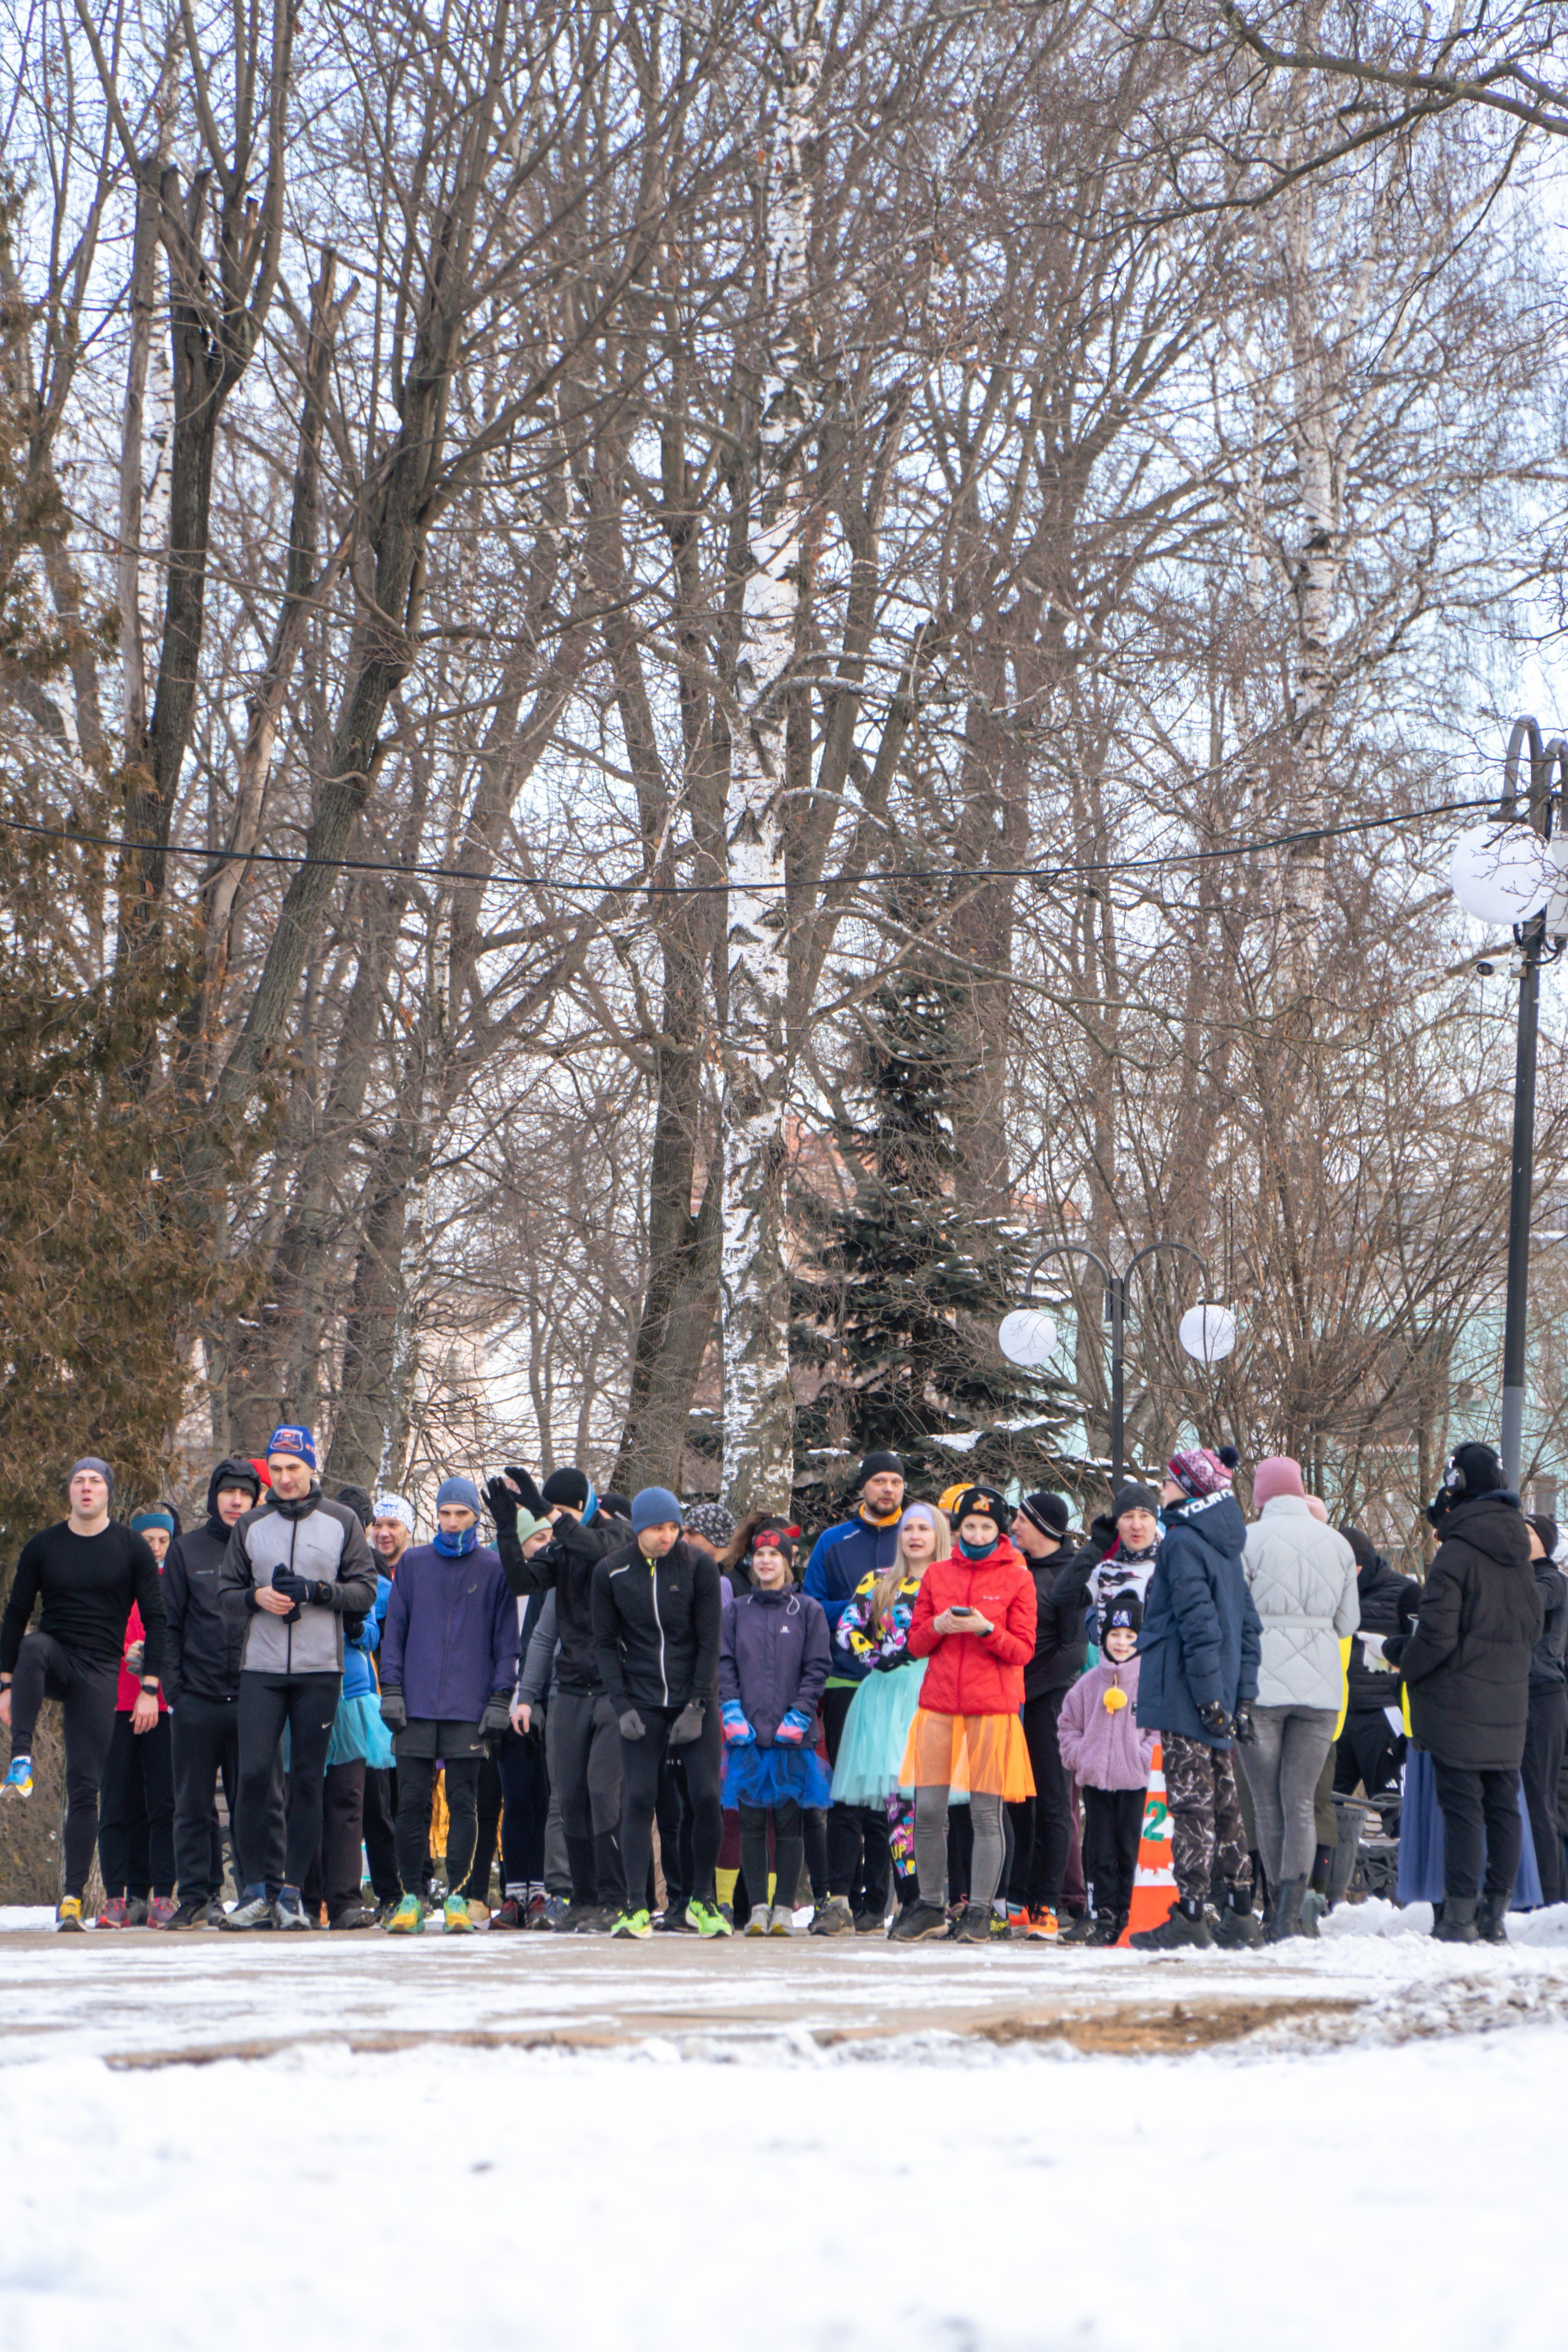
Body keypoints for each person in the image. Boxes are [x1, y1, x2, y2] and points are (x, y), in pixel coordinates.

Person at [217, 1425, 379, 1930]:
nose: (285, 1478)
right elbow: (224, 1595)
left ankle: (293, 1895)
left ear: (312, 1469)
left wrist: (317, 1592)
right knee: (252, 1777)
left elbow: (366, 1591)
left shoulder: (342, 1520)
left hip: (319, 1670)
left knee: (308, 1781)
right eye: (277, 1469)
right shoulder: (252, 1524)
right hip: (261, 1669)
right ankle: (254, 1892)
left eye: (294, 1468)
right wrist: (255, 1598)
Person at [0, 1458, 164, 1930]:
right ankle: (22, 1760)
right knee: (33, 1643)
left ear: (108, 1491)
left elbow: (157, 1620)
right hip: (53, 1658)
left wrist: (150, 1687)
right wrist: (6, 1685)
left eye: (95, 1481)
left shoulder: (131, 1547)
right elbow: (15, 1614)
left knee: (85, 1787)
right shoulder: (43, 1546)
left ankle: (72, 1898)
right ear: (69, 1491)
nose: (87, 1488)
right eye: (79, 1481)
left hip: (98, 1672)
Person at [1390, 1445, 1542, 1943]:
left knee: (1463, 1810)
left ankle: (1458, 1919)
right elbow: (1533, 1628)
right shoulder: (1520, 1555)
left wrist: (1404, 1663)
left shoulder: (1457, 1553)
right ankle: (1494, 1918)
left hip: (1457, 1704)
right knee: (1503, 1804)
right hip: (1508, 1701)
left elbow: (1436, 1635)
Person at [889, 1484, 1036, 1943]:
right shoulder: (936, 1574)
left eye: (985, 1526)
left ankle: (977, 1911)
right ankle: (932, 1905)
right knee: (928, 1810)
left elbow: (1023, 1651)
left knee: (984, 1815)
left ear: (999, 1529)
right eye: (969, 1525)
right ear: (957, 1529)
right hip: (937, 1705)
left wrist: (986, 1628)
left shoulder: (1018, 1577)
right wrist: (937, 1625)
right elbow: (914, 1645)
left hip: (991, 1708)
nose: (976, 1533)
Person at [1130, 1445, 1263, 1952]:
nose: (1162, 1490)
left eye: (1168, 1482)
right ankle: (1241, 1910)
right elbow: (1248, 1627)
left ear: (1187, 1487)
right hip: (1218, 1693)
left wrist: (1208, 1698)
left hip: (1189, 1693)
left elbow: (1198, 1625)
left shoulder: (1183, 1542)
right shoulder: (1226, 1544)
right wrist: (1239, 1697)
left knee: (1191, 1805)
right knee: (1225, 1804)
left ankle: (1189, 1913)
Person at [377, 1476, 518, 1934]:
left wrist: (500, 1697)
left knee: (464, 1802)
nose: (453, 1521)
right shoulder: (414, 1564)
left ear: (476, 1516)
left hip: (468, 1705)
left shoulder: (493, 1568)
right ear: (436, 1516)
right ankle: (410, 1898)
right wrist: (392, 1689)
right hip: (415, 1703)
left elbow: (505, 1640)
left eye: (462, 1513)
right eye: (446, 1513)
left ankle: (458, 1895)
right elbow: (394, 1631)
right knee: (411, 1802)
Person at [489, 1464, 628, 1929]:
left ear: (587, 1505)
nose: (556, 1523)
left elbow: (593, 1550)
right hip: (571, 1688)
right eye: (554, 1514)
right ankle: (584, 1898)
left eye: (566, 1513)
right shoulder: (561, 1548)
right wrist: (508, 1529)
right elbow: (522, 1581)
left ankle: (614, 1897)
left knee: (603, 1793)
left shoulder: (617, 1536)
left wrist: (547, 1511)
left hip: (615, 1688)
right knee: (569, 1798)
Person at [592, 1487, 727, 1938]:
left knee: (706, 1797)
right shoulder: (611, 1571)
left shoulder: (698, 1565)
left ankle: (701, 1901)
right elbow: (606, 1644)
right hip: (643, 1701)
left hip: (694, 1699)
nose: (667, 1536)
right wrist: (622, 1705)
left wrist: (698, 1705)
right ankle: (636, 1906)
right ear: (638, 1529)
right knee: (638, 1799)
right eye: (657, 1528)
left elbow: (710, 1641)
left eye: (673, 1527)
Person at [1237, 1456, 1360, 1940]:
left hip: (1261, 1687)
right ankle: (1292, 1912)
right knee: (1301, 1801)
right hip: (1321, 1692)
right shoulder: (1337, 1543)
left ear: (1260, 1495)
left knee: (1267, 1805)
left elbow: (1235, 1614)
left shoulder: (1246, 1540)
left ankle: (1275, 1911)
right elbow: (1348, 1623)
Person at [826, 1502, 952, 1926]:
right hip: (885, 1698)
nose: (915, 1536)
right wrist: (873, 1657)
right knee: (897, 1805)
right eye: (908, 1529)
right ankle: (911, 1898)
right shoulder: (879, 1581)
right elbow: (847, 1629)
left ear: (939, 1536)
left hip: (932, 1693)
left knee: (932, 1805)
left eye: (924, 1528)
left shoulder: (950, 1582)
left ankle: (943, 1897)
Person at [160, 1458, 270, 1928]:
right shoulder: (187, 1551)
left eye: (245, 1494)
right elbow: (168, 1624)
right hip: (197, 1700)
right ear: (215, 1497)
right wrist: (175, 1691)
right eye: (228, 1492)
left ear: (255, 1500)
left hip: (253, 1697)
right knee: (191, 1805)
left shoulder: (265, 1547)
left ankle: (252, 1894)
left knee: (254, 1802)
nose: (236, 1501)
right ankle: (196, 1895)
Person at [803, 1453, 907, 1915]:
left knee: (890, 1795)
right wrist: (858, 1609)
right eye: (879, 1481)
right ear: (863, 1487)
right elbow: (810, 1607)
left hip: (903, 1684)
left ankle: (876, 1901)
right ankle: (837, 1896)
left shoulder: (918, 1538)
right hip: (847, 1679)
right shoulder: (834, 1541)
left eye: (896, 1482)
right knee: (849, 1792)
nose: (888, 1489)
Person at [720, 1524, 831, 1933]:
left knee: (788, 1822)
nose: (766, 1560)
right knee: (749, 1822)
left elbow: (817, 1666)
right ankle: (756, 1909)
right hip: (747, 1735)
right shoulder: (737, 1610)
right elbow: (725, 1662)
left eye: (775, 1554)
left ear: (788, 1560)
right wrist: (731, 1709)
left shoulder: (807, 1611)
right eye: (760, 1554)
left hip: (790, 1736)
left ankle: (783, 1906)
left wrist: (801, 1713)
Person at [1007, 1491, 1087, 1941]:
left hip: (1050, 1700)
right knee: (1016, 1803)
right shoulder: (1013, 1569)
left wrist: (1027, 1691)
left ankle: (1047, 1904)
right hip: (1008, 1699)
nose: (1014, 1527)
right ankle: (1017, 1898)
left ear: (1041, 1525)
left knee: (1056, 1804)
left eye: (1021, 1519)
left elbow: (1073, 1652)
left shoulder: (1070, 1576)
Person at [94, 1509, 178, 1926]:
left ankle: (162, 1893)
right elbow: (94, 1633)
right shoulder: (115, 1581)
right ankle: (118, 1895)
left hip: (163, 1705)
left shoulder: (172, 1584)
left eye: (163, 1540)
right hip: (116, 1703)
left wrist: (156, 1660)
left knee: (163, 1800)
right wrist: (122, 1654)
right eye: (149, 1539)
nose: (156, 1547)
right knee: (116, 1801)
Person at [1056, 1593, 1152, 1943]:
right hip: (1097, 1783)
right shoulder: (1089, 1684)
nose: (1123, 1643)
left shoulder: (1149, 1681)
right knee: (1100, 1850)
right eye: (1115, 1635)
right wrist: (1081, 1756)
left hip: (1135, 1783)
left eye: (1130, 1636)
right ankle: (1105, 1914)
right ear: (1103, 1637)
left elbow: (1160, 1731)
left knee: (1130, 1847)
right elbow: (1068, 1725)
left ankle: (1130, 1913)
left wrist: (1143, 1759)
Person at [1333, 1523, 1419, 1819]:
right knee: (1323, 1810)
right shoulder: (1328, 1591)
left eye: (1352, 1569)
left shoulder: (1405, 1592)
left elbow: (1420, 1654)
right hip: (1338, 1717)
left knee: (1394, 1811)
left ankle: (1398, 1863)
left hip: (1383, 1717)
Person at [1522, 1514, 1567, 1909]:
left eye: (1528, 1532)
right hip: (1520, 1695)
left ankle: (1550, 1901)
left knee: (1540, 1802)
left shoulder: (1551, 1579)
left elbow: (1529, 1605)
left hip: (1543, 1695)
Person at [1052, 1483, 1163, 1636]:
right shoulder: (1106, 1571)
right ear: (1117, 1523)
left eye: (1144, 1516)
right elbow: (1063, 1595)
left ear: (1155, 1521)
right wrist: (1096, 1546)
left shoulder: (1172, 1568)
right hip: (1111, 1659)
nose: (1136, 1526)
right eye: (1128, 1516)